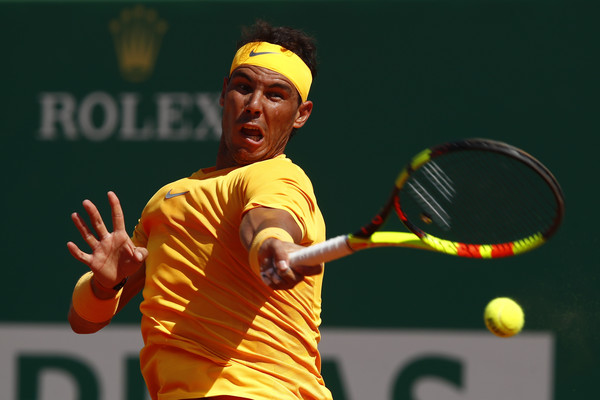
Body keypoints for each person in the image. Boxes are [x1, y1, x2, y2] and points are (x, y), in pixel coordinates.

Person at [67, 20, 333, 400]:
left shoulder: (278, 177)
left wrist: (272, 246)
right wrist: (105, 284)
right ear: (225, 93)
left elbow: (266, 221)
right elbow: (83, 321)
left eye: (275, 95)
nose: (254, 106)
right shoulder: (167, 198)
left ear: (301, 113)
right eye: (244, 87)